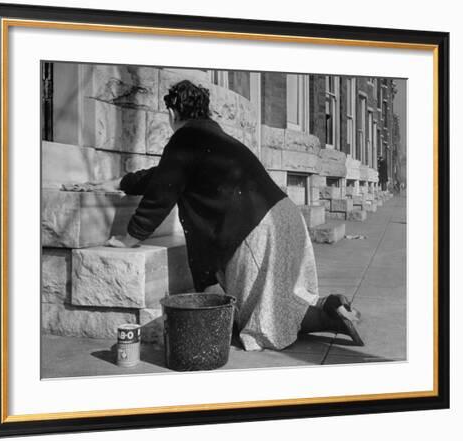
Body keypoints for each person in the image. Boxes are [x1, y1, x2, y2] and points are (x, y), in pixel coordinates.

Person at [96, 80, 363, 350]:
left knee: (267, 319)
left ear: (171, 114)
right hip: (286, 217)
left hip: (257, 229)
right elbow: (164, 176)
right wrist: (121, 182)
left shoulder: (184, 139)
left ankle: (329, 319)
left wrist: (132, 236)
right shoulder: (214, 137)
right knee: (287, 296)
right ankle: (330, 306)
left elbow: (161, 192)